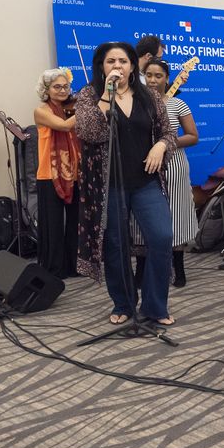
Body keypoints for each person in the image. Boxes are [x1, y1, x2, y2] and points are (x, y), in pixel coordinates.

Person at [75, 42, 178, 326]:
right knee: (116, 245)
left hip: (145, 182)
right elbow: (89, 131)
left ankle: (156, 306)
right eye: (111, 61)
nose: (117, 66)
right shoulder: (89, 95)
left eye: (123, 61)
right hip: (108, 185)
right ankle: (123, 302)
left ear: (133, 66)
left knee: (161, 237)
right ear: (102, 66)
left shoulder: (150, 96)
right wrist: (107, 98)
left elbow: (169, 132)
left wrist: (160, 146)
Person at [131, 59, 199, 288]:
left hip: (174, 165)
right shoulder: (134, 103)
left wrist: (164, 143)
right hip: (143, 167)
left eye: (158, 75)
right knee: (140, 217)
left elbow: (192, 136)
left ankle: (178, 267)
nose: (152, 80)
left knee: (176, 215)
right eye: (148, 75)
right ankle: (140, 269)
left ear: (167, 78)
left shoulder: (178, 104)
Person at [33, 68, 80, 279]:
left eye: (66, 86)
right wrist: (87, 108)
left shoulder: (72, 108)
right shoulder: (41, 111)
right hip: (49, 175)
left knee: (75, 222)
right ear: (46, 89)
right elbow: (62, 126)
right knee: (52, 224)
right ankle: (54, 268)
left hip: (74, 173)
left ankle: (74, 265)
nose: (62, 91)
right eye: (57, 87)